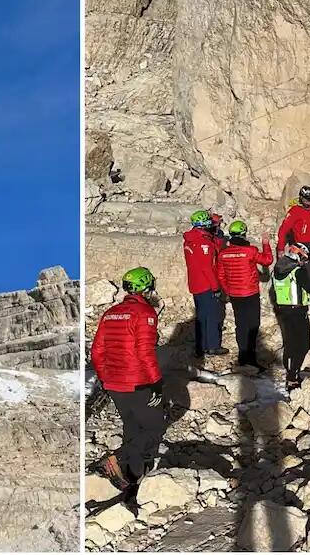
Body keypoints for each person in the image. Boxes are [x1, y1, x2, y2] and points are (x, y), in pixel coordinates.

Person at [90, 267, 166, 503]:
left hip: (114, 384)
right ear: (146, 287)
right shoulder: (145, 313)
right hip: (138, 382)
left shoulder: (110, 314)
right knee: (154, 427)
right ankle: (117, 459)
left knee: (132, 428)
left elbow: (96, 351)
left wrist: (105, 378)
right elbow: (145, 353)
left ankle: (131, 483)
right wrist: (156, 383)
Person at [216, 221, 273, 370]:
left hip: (235, 295)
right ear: (244, 234)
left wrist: (228, 291)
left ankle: (242, 356)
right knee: (253, 324)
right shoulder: (250, 251)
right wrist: (265, 243)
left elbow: (221, 275)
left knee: (240, 325)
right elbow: (267, 260)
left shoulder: (223, 254)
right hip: (250, 293)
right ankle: (251, 358)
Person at [271, 243, 310, 389]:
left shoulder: (278, 269)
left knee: (290, 342)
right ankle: (293, 375)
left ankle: (290, 371)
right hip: (298, 310)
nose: (304, 263)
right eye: (304, 259)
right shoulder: (297, 271)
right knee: (303, 345)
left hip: (283, 309)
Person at [183, 210, 228, 357]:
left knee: (201, 316)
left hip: (195, 282)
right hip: (206, 283)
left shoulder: (190, 239)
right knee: (212, 315)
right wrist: (215, 287)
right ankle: (213, 345)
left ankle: (200, 346)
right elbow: (207, 267)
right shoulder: (204, 243)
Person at [277, 185, 310, 284]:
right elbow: (283, 230)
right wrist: (280, 248)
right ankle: (308, 289)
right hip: (301, 244)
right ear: (301, 198)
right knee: (306, 269)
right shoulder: (294, 211)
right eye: (307, 200)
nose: (309, 202)